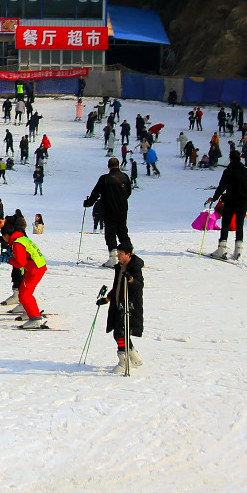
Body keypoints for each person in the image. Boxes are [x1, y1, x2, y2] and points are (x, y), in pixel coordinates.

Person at [97, 242, 145, 373]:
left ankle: (124, 361)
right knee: (121, 332)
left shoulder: (134, 268)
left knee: (120, 332)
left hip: (130, 306)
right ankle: (134, 357)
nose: (118, 256)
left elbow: (139, 286)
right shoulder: (119, 267)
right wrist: (107, 298)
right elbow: (117, 286)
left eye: (120, 254)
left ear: (128, 255)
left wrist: (131, 279)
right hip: (118, 304)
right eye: (118, 253)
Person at [84, 158, 132, 268]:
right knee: (122, 231)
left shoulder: (104, 179)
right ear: (118, 166)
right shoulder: (124, 177)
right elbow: (128, 192)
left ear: (108, 166)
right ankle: (129, 255)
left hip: (109, 209)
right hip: (123, 208)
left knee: (110, 232)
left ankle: (114, 257)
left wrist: (88, 203)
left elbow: (95, 193)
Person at [4, 215, 49, 329]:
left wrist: (8, 259)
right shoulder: (21, 238)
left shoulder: (17, 243)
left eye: (3, 237)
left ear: (7, 235)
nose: (4, 240)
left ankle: (35, 319)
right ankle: (29, 312)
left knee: (25, 294)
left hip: (35, 269)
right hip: (36, 267)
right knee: (24, 292)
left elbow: (21, 263)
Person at [209, 150, 247, 262]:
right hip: (243, 202)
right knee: (239, 224)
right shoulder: (246, 171)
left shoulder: (228, 171)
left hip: (230, 201)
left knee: (226, 224)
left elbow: (222, 186)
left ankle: (221, 250)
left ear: (230, 159)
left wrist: (214, 198)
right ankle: (238, 251)